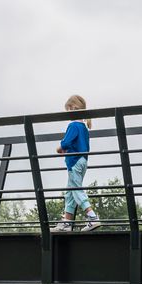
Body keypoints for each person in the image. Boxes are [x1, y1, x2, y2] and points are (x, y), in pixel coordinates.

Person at [53, 94, 100, 232]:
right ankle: (67, 223)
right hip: (82, 161)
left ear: (73, 108)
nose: (67, 114)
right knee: (70, 192)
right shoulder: (84, 127)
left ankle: (92, 217)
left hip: (74, 162)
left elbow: (66, 142)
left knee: (76, 189)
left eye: (68, 110)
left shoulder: (73, 125)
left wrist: (59, 148)